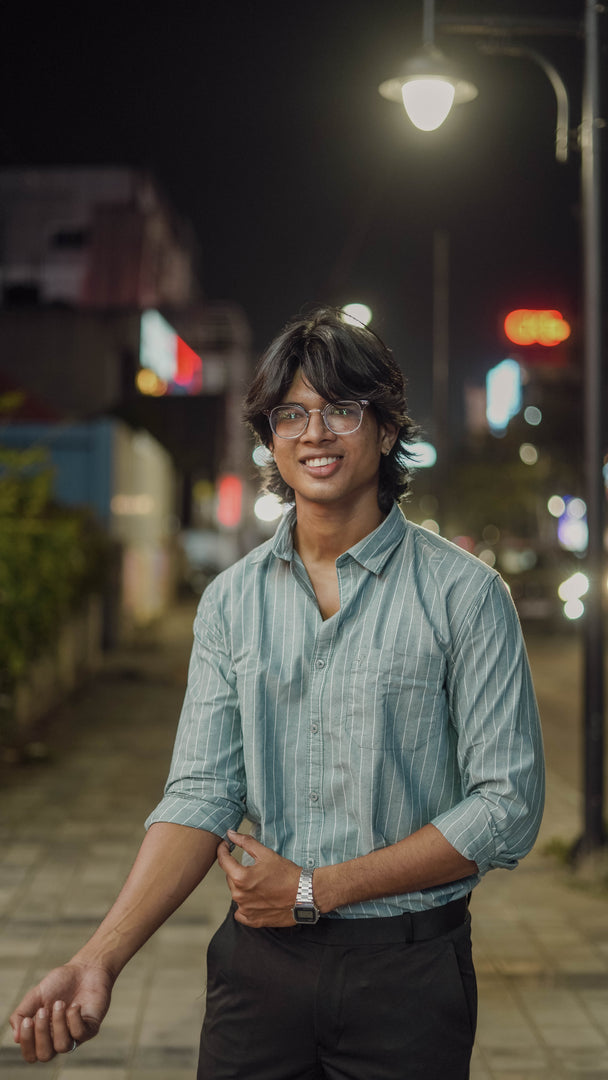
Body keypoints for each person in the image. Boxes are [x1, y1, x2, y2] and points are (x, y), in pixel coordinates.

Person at [10, 307, 545, 1079]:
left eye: (341, 410)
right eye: (290, 413)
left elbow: (508, 805)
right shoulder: (231, 602)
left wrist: (314, 888)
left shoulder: (466, 596)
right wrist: (99, 958)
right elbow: (201, 794)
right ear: (269, 437)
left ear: (387, 430)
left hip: (408, 977)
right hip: (258, 976)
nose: (314, 433)